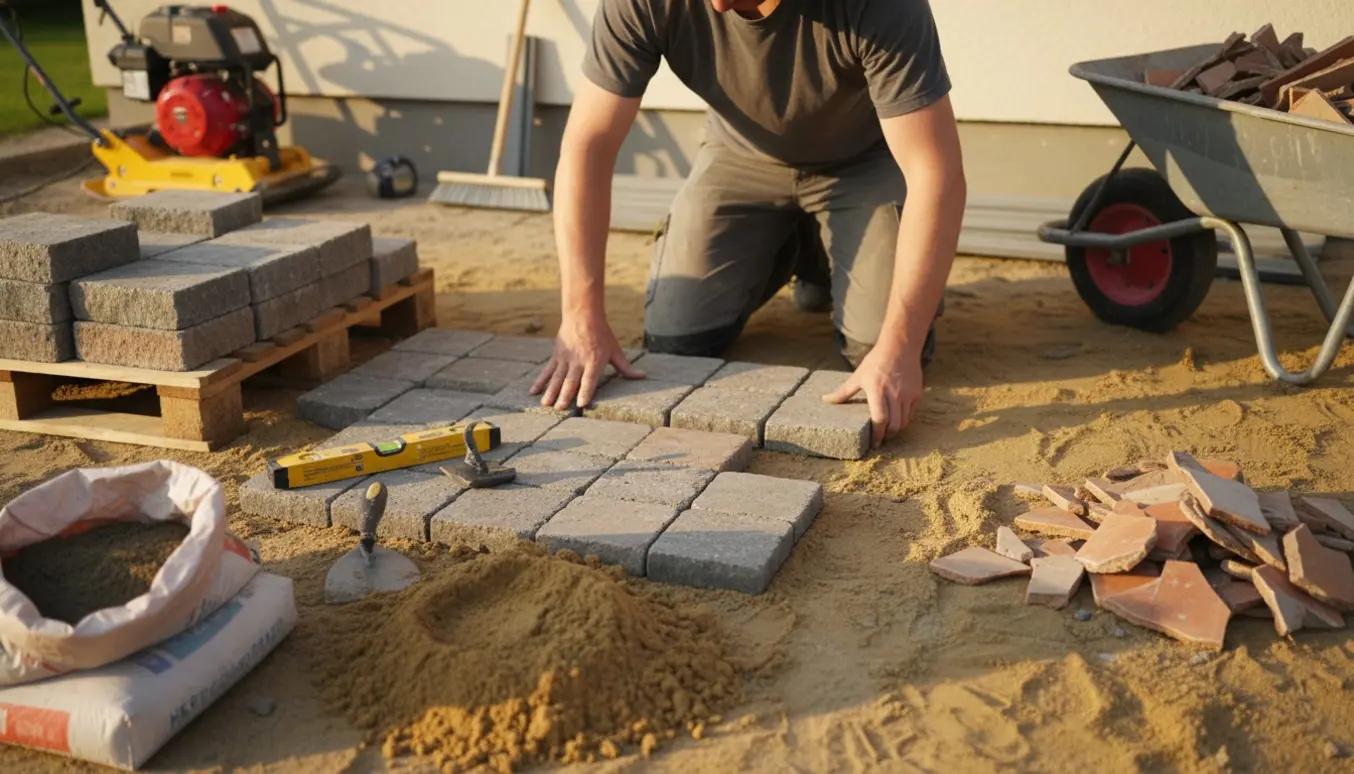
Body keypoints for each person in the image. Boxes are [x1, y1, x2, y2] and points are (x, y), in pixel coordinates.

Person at [532, 0, 966, 447]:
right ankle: (791, 245)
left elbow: (937, 174)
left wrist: (900, 347)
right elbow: (589, 145)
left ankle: (823, 257)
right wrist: (580, 315)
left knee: (876, 343)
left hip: (862, 162)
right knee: (678, 337)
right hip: (741, 157)